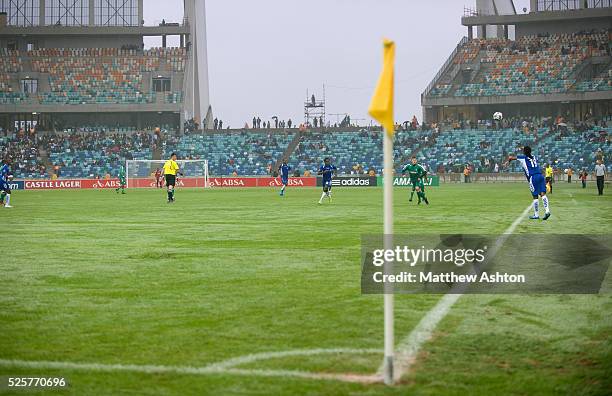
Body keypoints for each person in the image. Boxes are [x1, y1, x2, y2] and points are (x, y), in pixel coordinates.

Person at [508, 146, 551, 220]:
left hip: (533, 177)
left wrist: (509, 160)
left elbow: (511, 158)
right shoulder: (533, 157)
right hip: (540, 176)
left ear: (524, 152)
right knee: (542, 194)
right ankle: (547, 211)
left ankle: (536, 215)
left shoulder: (523, 157)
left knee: (535, 196)